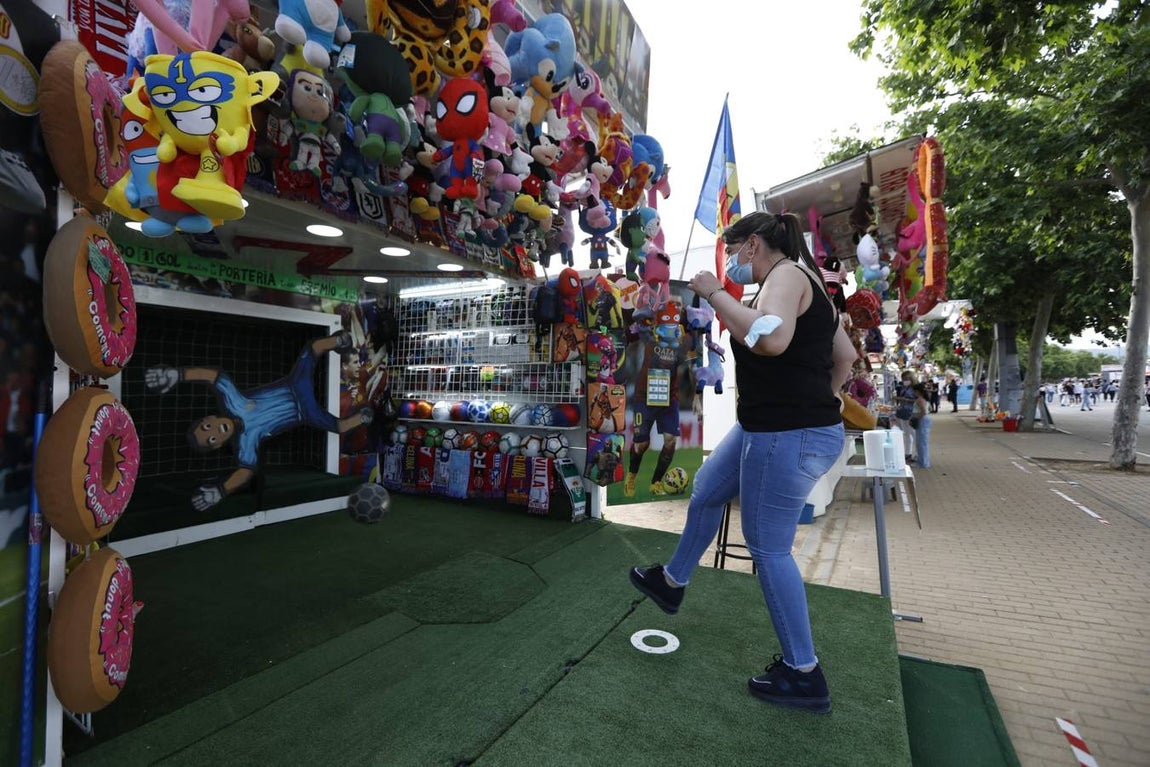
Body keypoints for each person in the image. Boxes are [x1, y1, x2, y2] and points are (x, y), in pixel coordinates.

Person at [628, 211, 856, 714]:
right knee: (708, 487)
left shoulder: (789, 275)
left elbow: (771, 338)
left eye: (734, 250)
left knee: (768, 548)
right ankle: (672, 581)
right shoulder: (804, 282)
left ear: (752, 244)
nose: (731, 261)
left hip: (785, 432)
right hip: (770, 426)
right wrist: (828, 397)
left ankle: (804, 672)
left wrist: (713, 291)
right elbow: (845, 356)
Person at [145, 332, 373, 511]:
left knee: (313, 347)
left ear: (209, 418)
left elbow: (214, 377)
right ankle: (362, 417)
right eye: (212, 438)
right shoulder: (246, 441)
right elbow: (246, 470)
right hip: (304, 412)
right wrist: (221, 491)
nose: (215, 430)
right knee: (338, 426)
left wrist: (177, 375)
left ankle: (339, 340)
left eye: (207, 426)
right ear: (217, 445)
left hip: (295, 385)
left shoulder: (233, 401)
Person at [909, 383, 932, 468]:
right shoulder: (923, 399)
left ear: (918, 391)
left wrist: (914, 417)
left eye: (914, 391)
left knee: (921, 442)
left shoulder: (920, 400)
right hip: (924, 420)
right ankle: (922, 461)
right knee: (922, 442)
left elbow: (924, 411)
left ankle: (922, 463)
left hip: (922, 420)